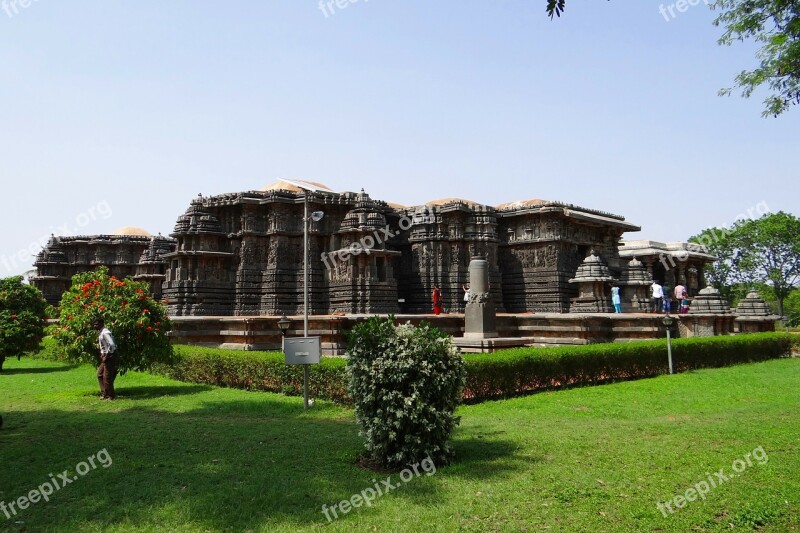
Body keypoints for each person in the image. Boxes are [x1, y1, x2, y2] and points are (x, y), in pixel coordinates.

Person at [94, 319, 118, 400]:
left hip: (110, 356)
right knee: (100, 374)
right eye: (94, 324)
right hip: (106, 356)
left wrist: (106, 355)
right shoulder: (101, 332)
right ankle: (104, 393)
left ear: (101, 324)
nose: (95, 326)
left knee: (107, 377)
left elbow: (112, 344)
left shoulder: (105, 332)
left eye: (97, 324)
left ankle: (111, 396)